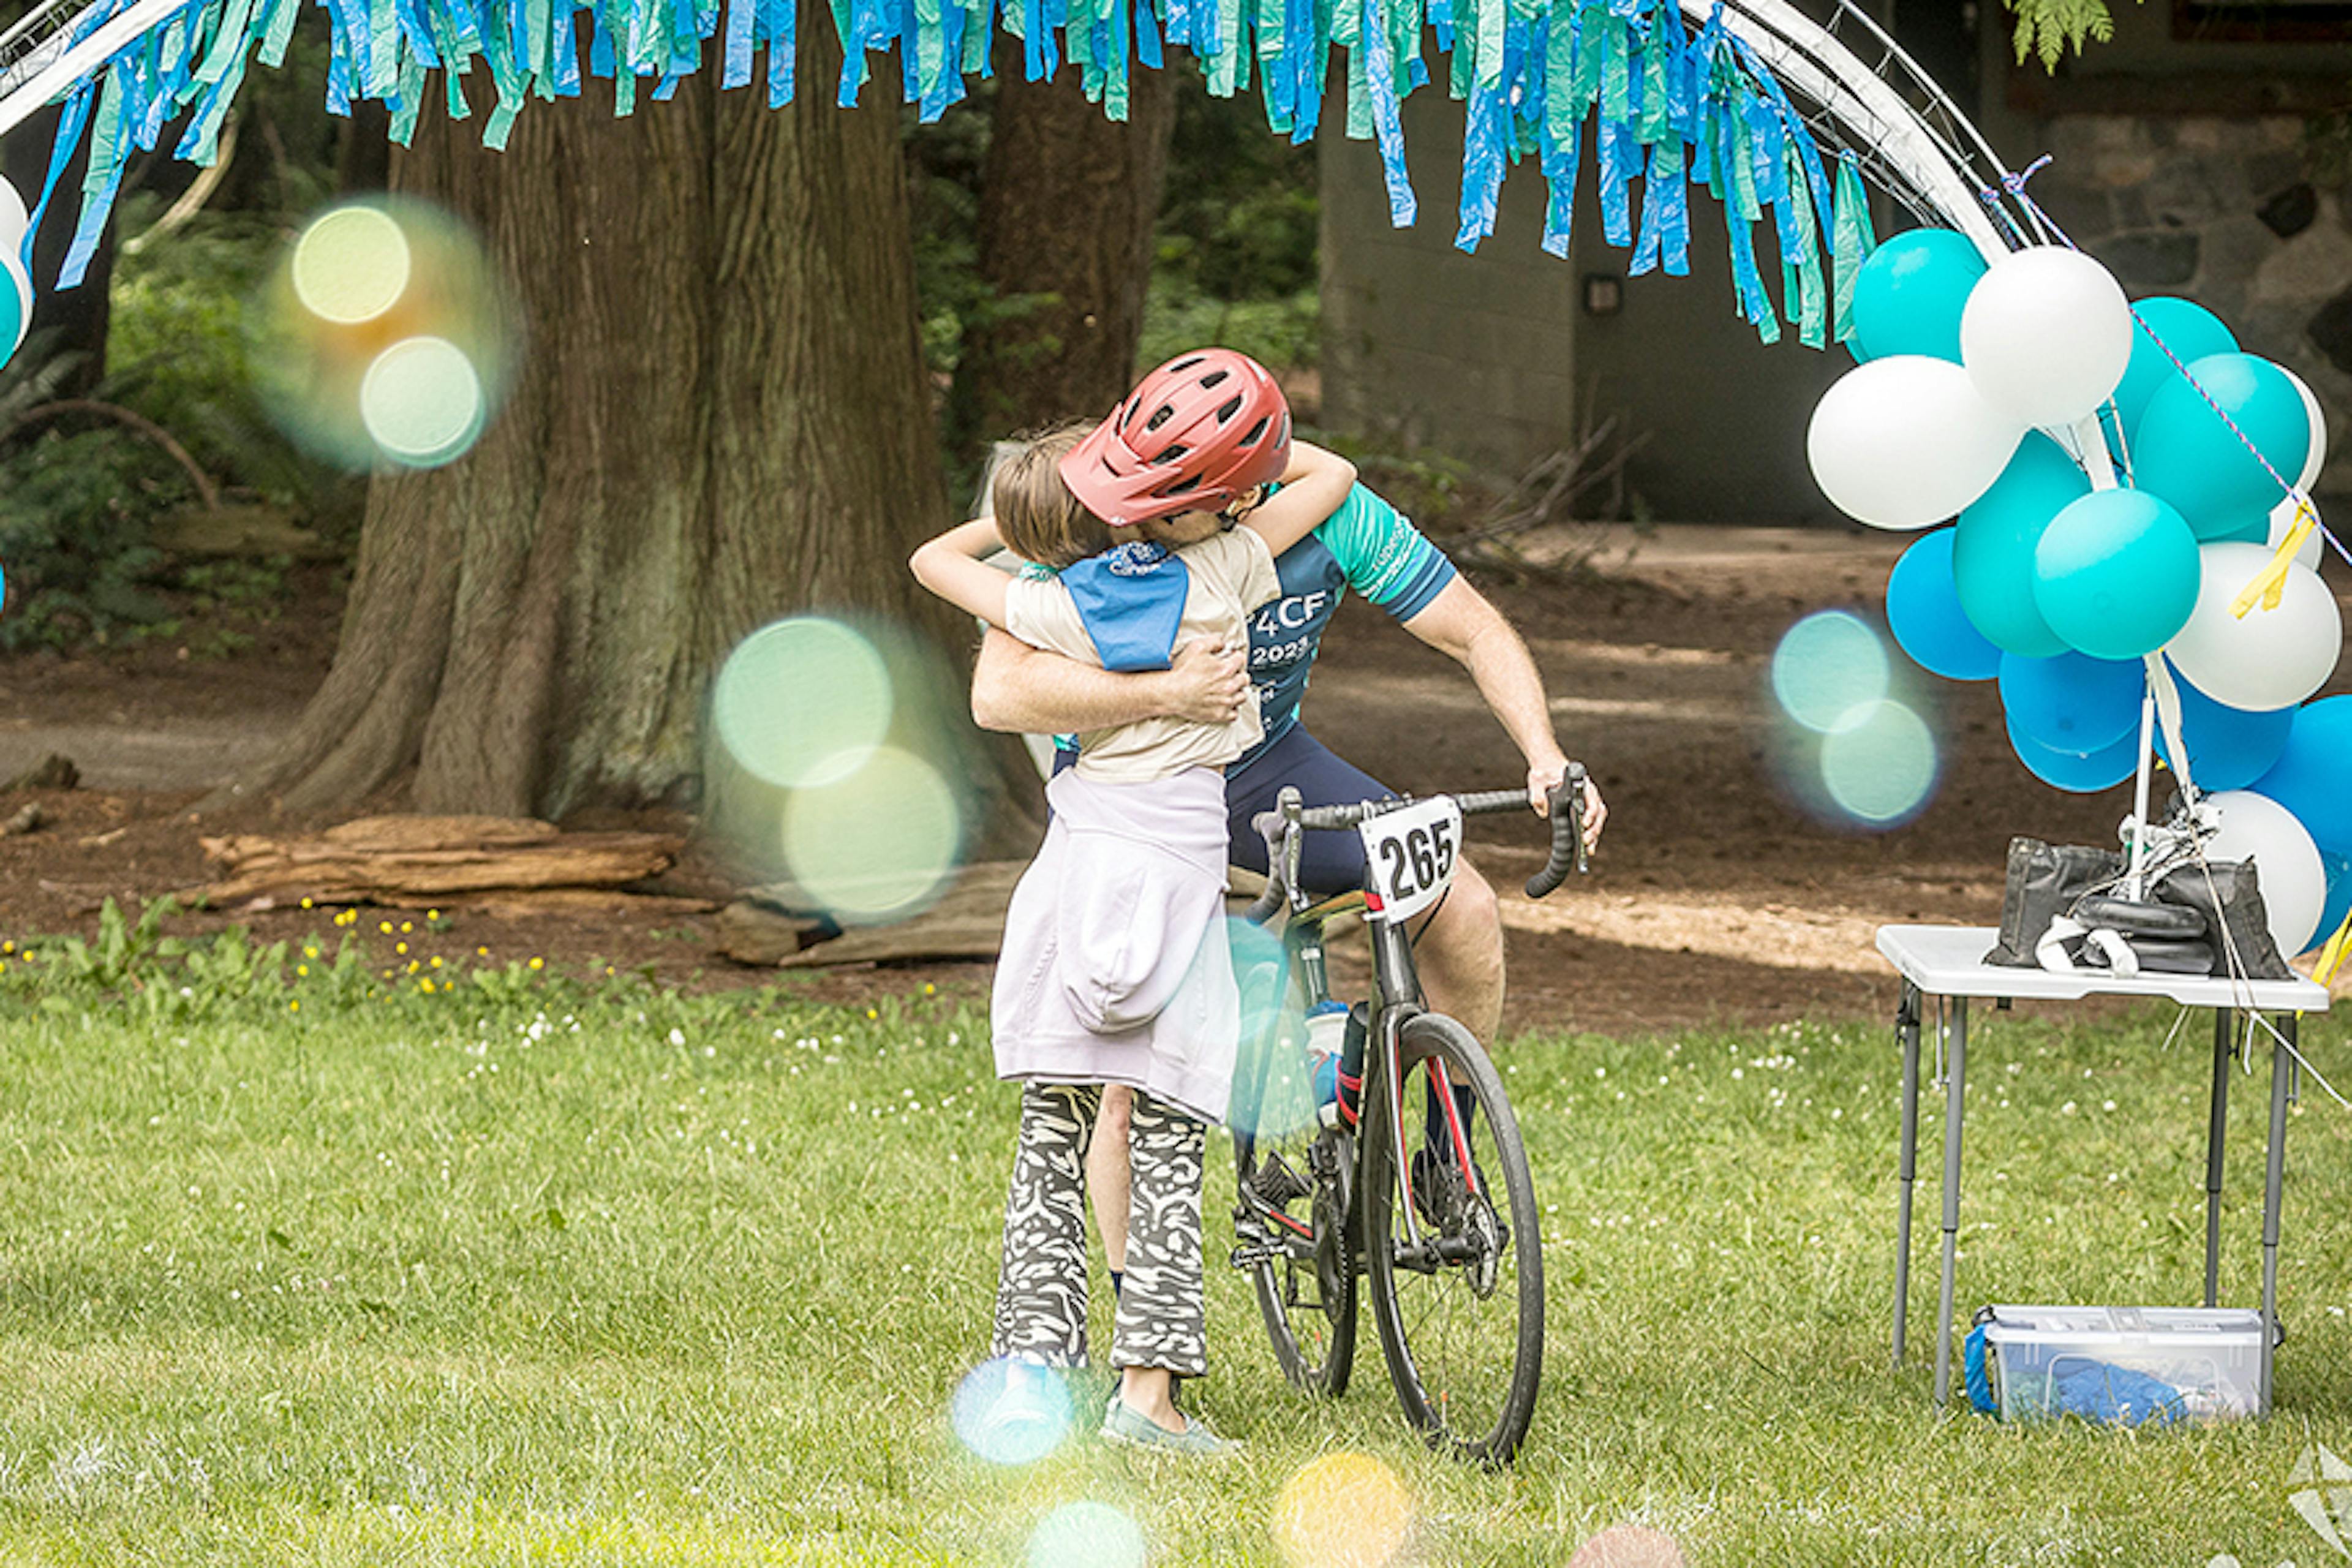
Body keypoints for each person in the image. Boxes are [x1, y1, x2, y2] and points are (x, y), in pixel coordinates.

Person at [967, 379, 1609, 1291]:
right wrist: (1161, 696)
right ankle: (1140, 1332)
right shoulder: (1101, 508)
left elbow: (1472, 631)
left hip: (1272, 765)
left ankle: (1444, 1154)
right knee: (1128, 1078)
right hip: (1136, 790)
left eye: (1191, 499)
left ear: (1242, 492)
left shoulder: (1324, 515)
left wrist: (1544, 754)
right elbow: (1001, 695)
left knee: (1461, 905)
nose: (1160, 514)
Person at [908, 352, 1360, 1456]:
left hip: (1076, 869)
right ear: (1230, 497)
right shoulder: (1233, 569)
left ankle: (1030, 1380)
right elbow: (1335, 473)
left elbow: (933, 559)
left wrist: (1088, 488)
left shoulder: (1059, 599)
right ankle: (1146, 1402)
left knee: (1053, 1132)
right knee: (1164, 1140)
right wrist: (1217, 467)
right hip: (1174, 874)